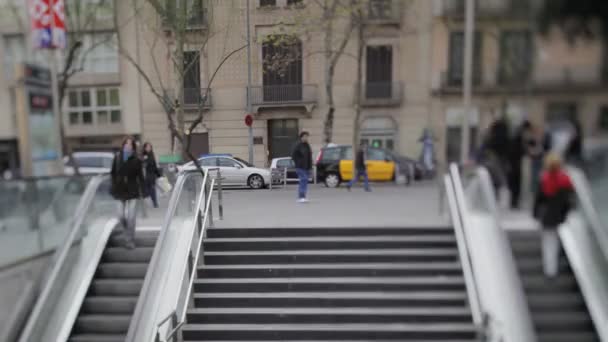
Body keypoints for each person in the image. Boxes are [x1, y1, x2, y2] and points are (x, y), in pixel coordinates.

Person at [533, 153, 574, 278]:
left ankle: (550, 269)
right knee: (555, 241)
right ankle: (553, 268)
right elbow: (569, 200)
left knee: (548, 242)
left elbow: (539, 200)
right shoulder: (565, 180)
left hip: (547, 216)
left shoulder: (544, 179)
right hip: (560, 216)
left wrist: (535, 213)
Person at [111, 136, 145, 249]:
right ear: (123, 145)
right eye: (126, 144)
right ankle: (127, 233)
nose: (128, 146)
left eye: (131, 144)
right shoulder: (117, 157)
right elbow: (113, 173)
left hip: (132, 191)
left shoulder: (136, 160)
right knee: (121, 216)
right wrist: (114, 185)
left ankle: (129, 240)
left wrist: (143, 191)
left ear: (133, 147)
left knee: (131, 217)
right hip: (120, 191)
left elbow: (140, 177)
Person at [508, 121, 532, 209]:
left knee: (515, 184)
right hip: (515, 164)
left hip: (515, 164)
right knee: (516, 184)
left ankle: (514, 202)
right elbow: (519, 151)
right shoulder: (518, 138)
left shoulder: (518, 137)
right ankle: (514, 202)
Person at [292, 131, 313, 203]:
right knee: (303, 179)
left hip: (306, 166)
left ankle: (303, 196)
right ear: (301, 137)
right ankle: (301, 197)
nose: (306, 138)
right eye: (304, 136)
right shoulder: (298, 145)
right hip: (300, 167)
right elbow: (293, 156)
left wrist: (310, 167)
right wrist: (298, 162)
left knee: (305, 181)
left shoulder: (307, 145)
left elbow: (309, 156)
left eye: (307, 136)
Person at [142, 142, 161, 208]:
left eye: (150, 147)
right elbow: (143, 164)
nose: (149, 148)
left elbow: (154, 165)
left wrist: (158, 174)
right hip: (146, 175)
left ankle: (155, 203)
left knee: (152, 189)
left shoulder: (152, 154)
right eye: (147, 147)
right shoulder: (144, 155)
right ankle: (149, 201)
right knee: (148, 190)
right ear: (145, 148)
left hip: (152, 175)